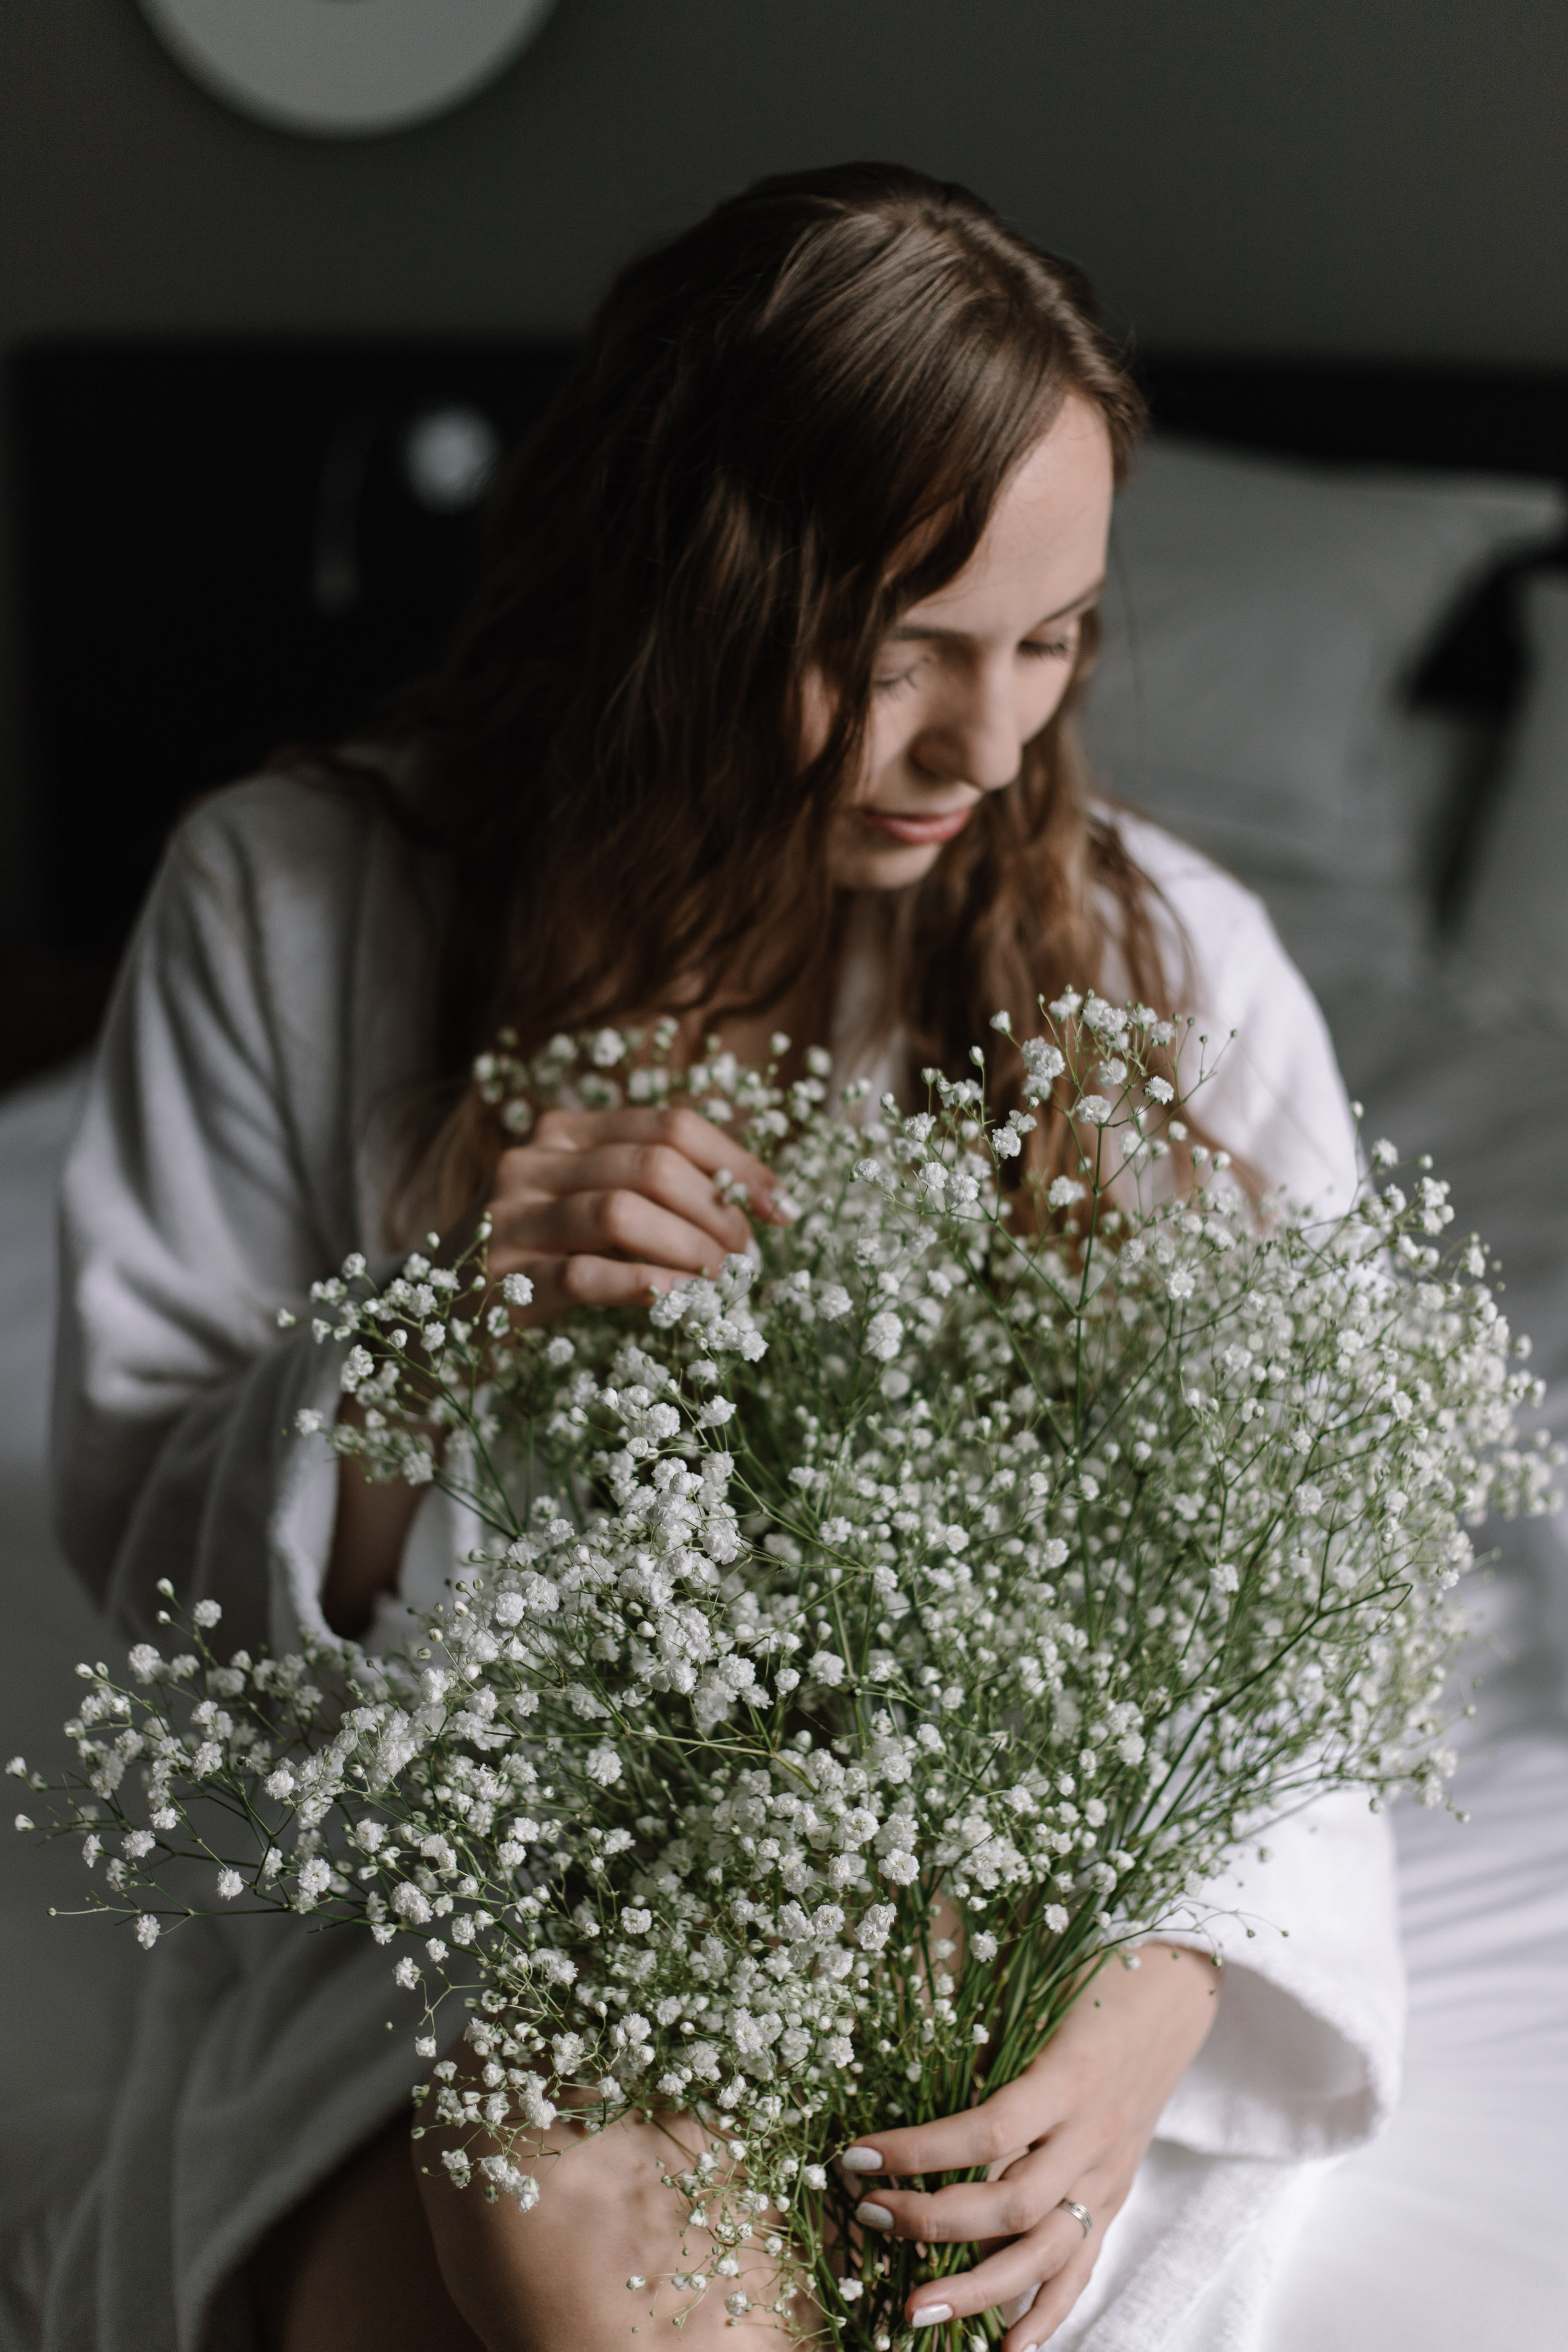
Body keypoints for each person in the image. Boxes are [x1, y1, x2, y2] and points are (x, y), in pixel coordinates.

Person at [47, 165, 1399, 2352]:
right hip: (453, 1908)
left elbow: (1316, 1625)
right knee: (556, 2172)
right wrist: (428, 1335)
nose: (991, 745)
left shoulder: (1176, 978)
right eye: (900, 655)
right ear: (680, 597)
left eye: (1051, 642)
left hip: (1003, 1926)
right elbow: (159, 1611)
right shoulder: (294, 906)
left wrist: (1160, 1997)